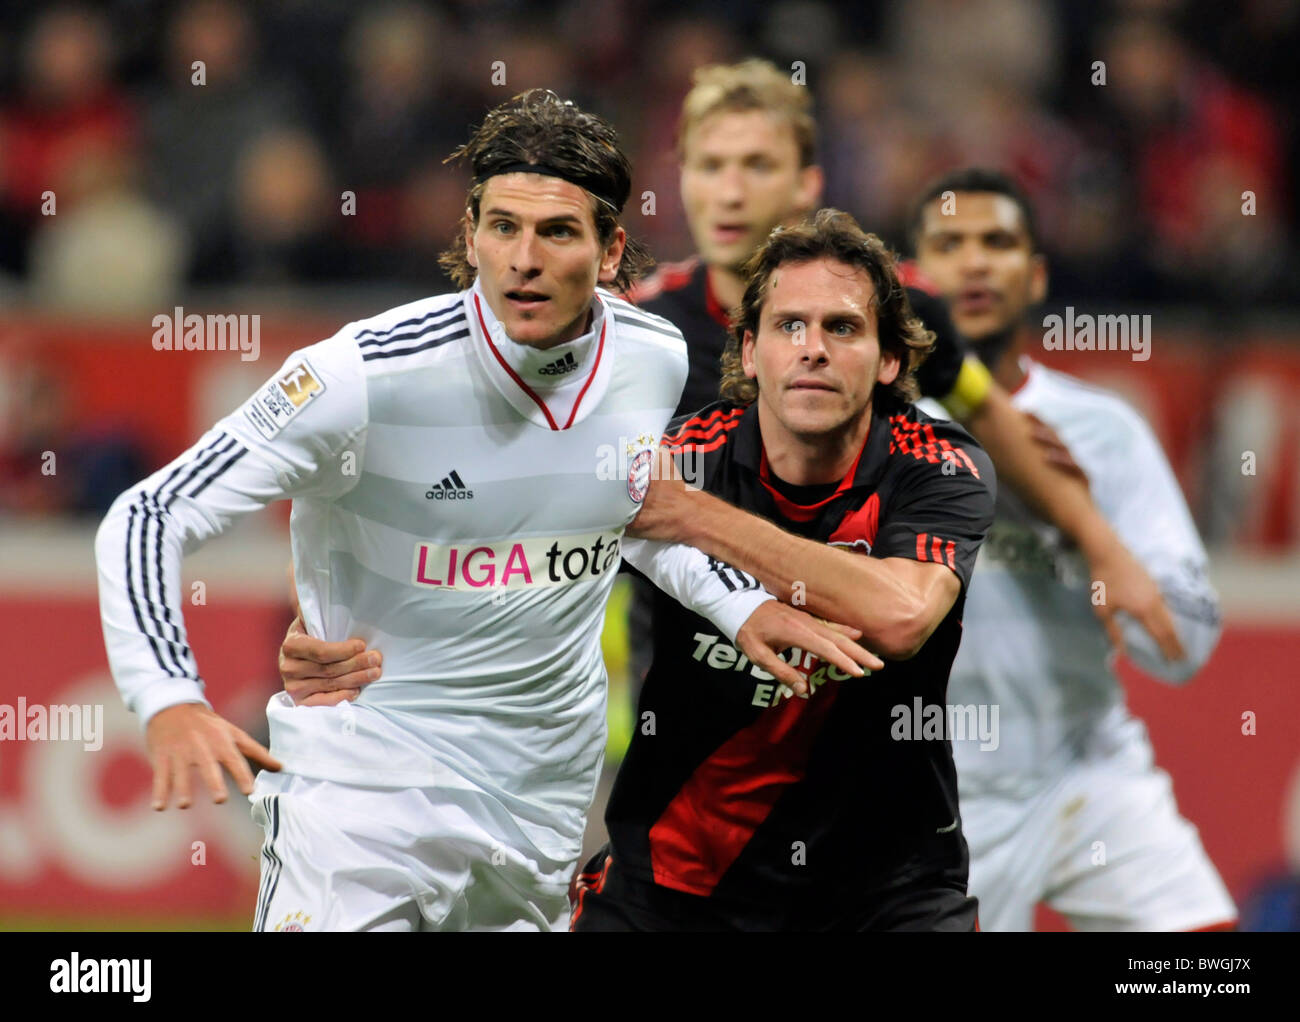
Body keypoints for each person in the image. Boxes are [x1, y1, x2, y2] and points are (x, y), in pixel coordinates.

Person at [94, 89, 874, 933]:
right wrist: (169, 695)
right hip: (365, 787)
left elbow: (633, 511)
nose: (523, 259)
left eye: (558, 232)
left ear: (612, 250)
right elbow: (148, 513)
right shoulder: (363, 376)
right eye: (502, 227)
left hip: (540, 802)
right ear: (469, 237)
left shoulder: (653, 358)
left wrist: (740, 603)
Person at [288, 209, 997, 930]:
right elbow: (487, 541)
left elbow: (902, 616)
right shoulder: (684, 454)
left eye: (842, 328)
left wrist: (692, 515)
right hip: (674, 882)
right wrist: (333, 625)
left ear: (890, 362)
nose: (811, 349)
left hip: (891, 890)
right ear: (749, 352)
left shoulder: (938, 465)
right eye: (788, 326)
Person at [626, 59, 1184, 689]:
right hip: (693, 689)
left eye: (757, 165)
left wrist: (1100, 543)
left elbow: (986, 412)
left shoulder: (896, 305)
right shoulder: (637, 331)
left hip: (862, 684)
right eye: (709, 166)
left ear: (807, 182)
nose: (729, 191)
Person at [909, 167, 1236, 931]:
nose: (977, 262)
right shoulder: (879, 430)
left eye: (999, 242)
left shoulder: (1101, 430)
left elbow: (1183, 646)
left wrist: (1078, 528)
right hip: (929, 794)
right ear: (915, 279)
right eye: (950, 245)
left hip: (1084, 768)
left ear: (1036, 277)